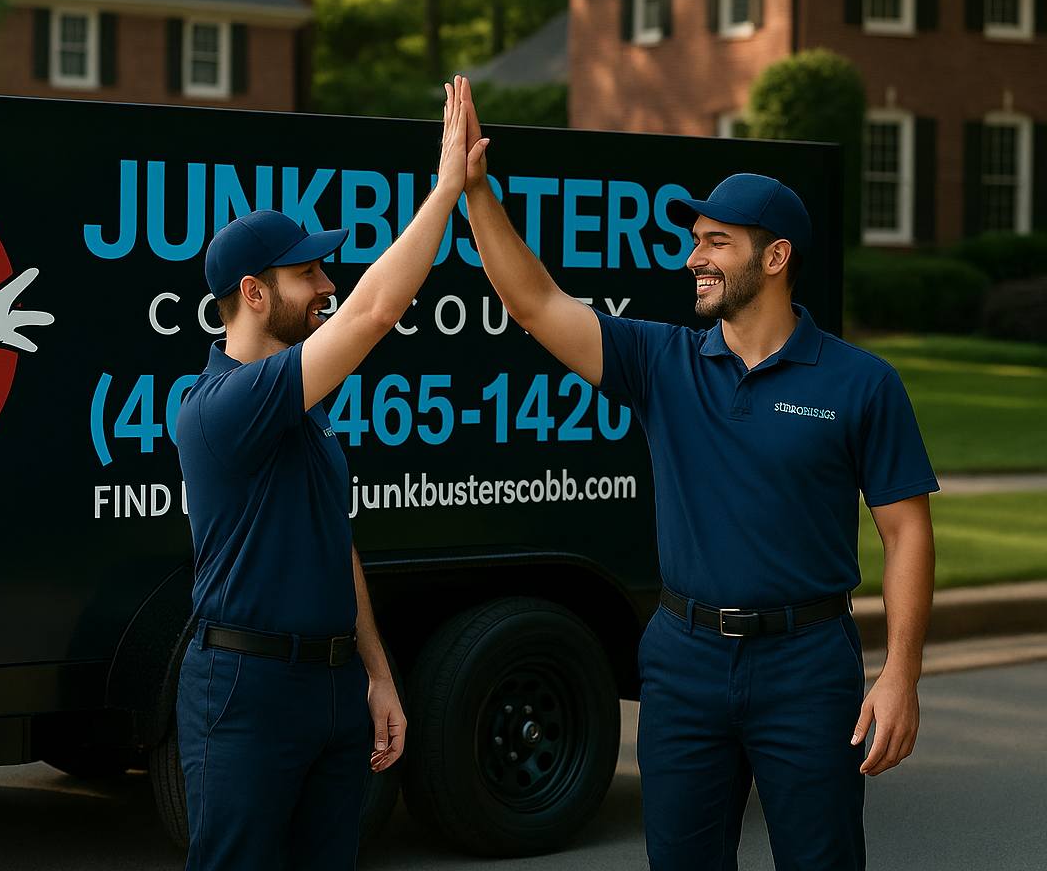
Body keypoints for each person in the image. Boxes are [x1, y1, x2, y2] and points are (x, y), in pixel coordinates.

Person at [456, 79, 937, 870]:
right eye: (695, 240)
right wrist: (476, 191)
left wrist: (902, 674)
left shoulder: (862, 383)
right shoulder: (661, 361)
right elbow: (536, 304)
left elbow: (907, 532)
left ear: (775, 257)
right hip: (683, 662)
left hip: (808, 664)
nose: (694, 258)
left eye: (717, 242)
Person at [173, 77, 488, 870]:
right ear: (253, 294)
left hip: (333, 686)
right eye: (307, 273)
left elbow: (331, 544)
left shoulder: (300, 405)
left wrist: (375, 674)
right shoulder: (224, 405)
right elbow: (374, 313)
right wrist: (447, 188)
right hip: (245, 688)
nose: (326, 285)